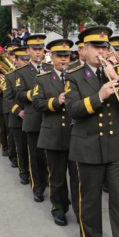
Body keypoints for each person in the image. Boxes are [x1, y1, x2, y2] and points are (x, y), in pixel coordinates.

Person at [64, 26, 119, 237]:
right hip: (87, 146)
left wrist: (117, 78)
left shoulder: (115, 71)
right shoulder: (74, 75)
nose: (102, 51)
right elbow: (73, 110)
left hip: (115, 146)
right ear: (84, 50)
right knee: (90, 199)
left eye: (105, 47)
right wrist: (99, 96)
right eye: (97, 47)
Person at [33, 39, 78, 226]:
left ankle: (79, 208)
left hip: (76, 135)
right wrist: (56, 101)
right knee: (57, 177)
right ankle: (59, 208)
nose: (64, 60)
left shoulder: (77, 76)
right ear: (51, 57)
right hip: (54, 135)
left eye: (66, 56)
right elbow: (37, 103)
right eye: (59, 56)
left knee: (77, 178)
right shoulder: (42, 79)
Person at [14, 34, 49, 202]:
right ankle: (38, 187)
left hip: (51, 117)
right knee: (35, 156)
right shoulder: (22, 72)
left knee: (49, 155)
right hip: (34, 119)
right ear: (27, 51)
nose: (37, 52)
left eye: (40, 49)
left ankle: (49, 180)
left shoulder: (50, 67)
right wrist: (37, 94)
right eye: (34, 49)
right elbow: (19, 95)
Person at [6, 47, 31, 184]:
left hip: (34, 116)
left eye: (28, 59)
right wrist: (18, 111)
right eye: (23, 60)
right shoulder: (10, 76)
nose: (26, 62)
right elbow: (8, 98)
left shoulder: (36, 74)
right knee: (21, 148)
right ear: (16, 60)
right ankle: (23, 171)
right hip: (18, 117)